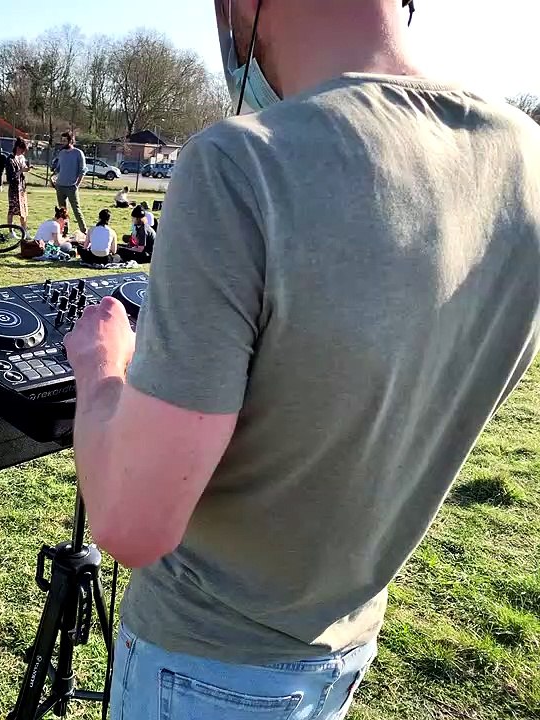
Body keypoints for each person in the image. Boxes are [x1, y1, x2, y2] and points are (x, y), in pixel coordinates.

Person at [63, 1, 540, 719]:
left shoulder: (240, 162)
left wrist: (102, 369)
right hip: (344, 644)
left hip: (202, 660)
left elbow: (132, 522)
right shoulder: (525, 157)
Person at [53, 131, 87, 235]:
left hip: (71, 186)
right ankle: (64, 232)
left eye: (65, 140)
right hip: (60, 186)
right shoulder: (61, 153)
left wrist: (77, 185)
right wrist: (53, 176)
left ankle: (84, 232)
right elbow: (58, 168)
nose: (63, 142)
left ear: (71, 140)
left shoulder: (78, 153)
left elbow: (83, 170)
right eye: (62, 140)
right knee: (62, 211)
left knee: (76, 209)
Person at [6, 138, 29, 232]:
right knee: (12, 210)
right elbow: (11, 176)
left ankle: (24, 230)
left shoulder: (21, 158)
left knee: (23, 210)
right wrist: (21, 171)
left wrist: (26, 168)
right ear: (18, 148)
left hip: (21, 188)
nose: (23, 153)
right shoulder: (10, 159)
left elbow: (23, 168)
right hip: (14, 188)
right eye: (22, 150)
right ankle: (11, 231)